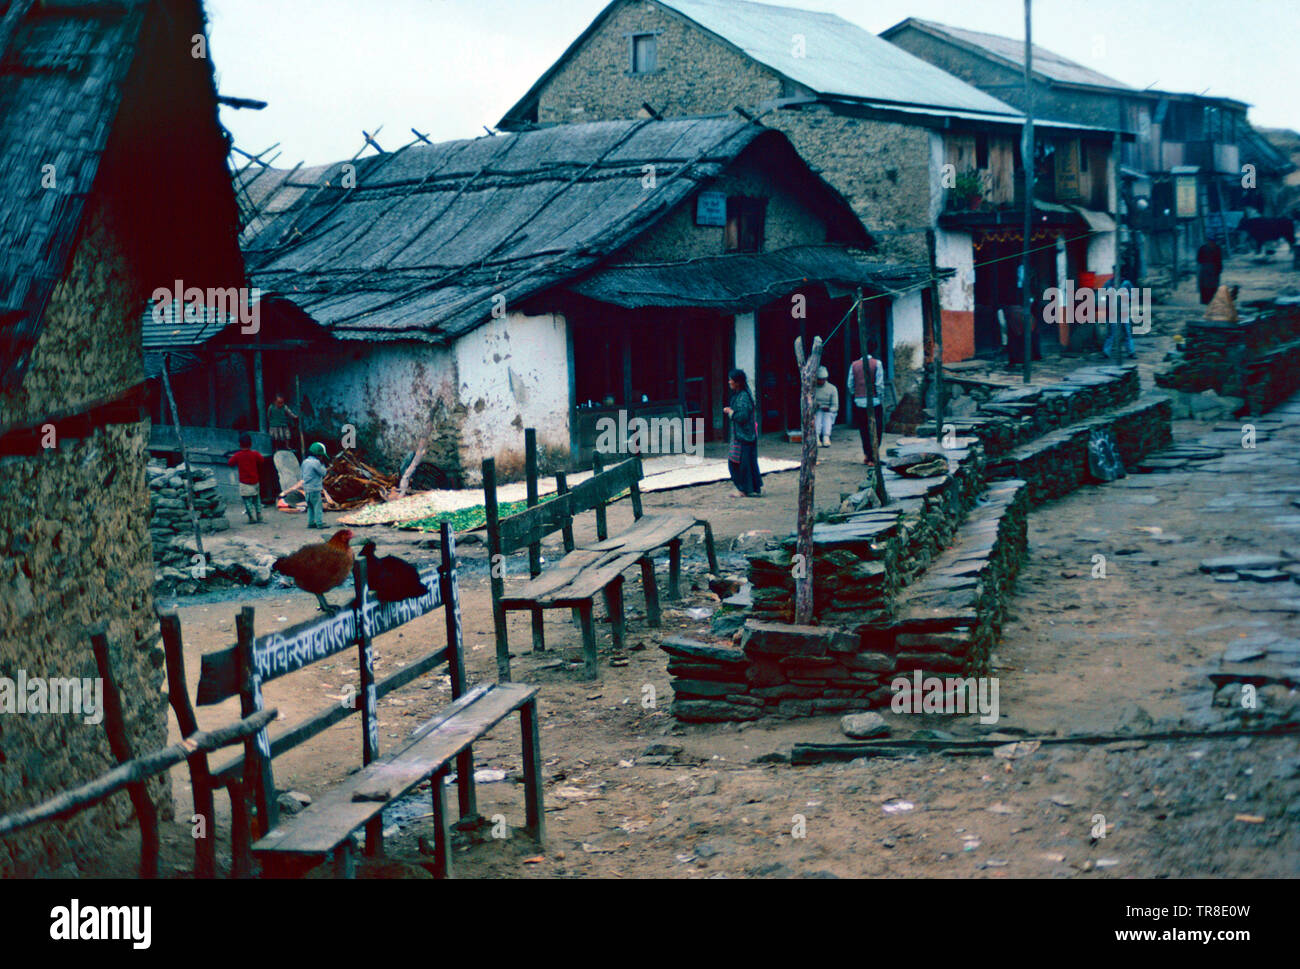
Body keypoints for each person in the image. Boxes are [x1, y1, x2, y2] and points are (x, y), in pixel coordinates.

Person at [723, 368, 761, 497]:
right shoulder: (740, 395)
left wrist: (730, 412)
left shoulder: (743, 397)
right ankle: (745, 489)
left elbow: (743, 416)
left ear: (737, 382)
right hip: (741, 435)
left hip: (745, 436)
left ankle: (743, 489)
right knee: (742, 464)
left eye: (731, 380)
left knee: (740, 464)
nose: (729, 382)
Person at [850, 344, 885, 465]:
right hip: (874, 401)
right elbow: (879, 384)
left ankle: (867, 455)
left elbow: (850, 384)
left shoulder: (854, 365)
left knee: (863, 429)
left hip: (859, 402)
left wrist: (856, 394)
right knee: (876, 429)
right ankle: (872, 456)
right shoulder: (877, 364)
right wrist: (880, 398)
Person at [227, 433, 264, 524]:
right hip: (255, 481)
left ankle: (251, 517)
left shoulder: (238, 455)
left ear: (239, 445)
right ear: (251, 444)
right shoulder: (254, 454)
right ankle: (259, 515)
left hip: (244, 482)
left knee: (247, 501)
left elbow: (230, 463)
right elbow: (262, 460)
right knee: (257, 499)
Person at [1102, 267, 1137, 359]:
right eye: (1114, 272)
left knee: (1127, 332)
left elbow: (1134, 296)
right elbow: (1102, 296)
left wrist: (1126, 297)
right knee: (1111, 333)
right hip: (1112, 311)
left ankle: (1131, 352)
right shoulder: (1109, 284)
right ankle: (1106, 352)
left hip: (1124, 311)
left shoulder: (1126, 284)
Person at [299, 442, 328, 529]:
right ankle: (319, 523)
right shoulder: (316, 462)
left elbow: (302, 475)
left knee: (310, 507)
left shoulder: (305, 462)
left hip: (307, 489)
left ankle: (311, 522)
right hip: (315, 489)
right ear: (319, 455)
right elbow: (323, 473)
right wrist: (322, 465)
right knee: (317, 506)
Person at [813, 365, 839, 447]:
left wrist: (829, 409)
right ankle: (816, 436)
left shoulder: (832, 388)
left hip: (828, 411)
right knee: (818, 415)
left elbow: (835, 406)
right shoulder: (812, 388)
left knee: (826, 416)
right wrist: (815, 406)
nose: (821, 381)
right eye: (819, 379)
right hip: (815, 411)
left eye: (823, 379)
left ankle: (826, 436)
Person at [1196, 240, 1223, 305]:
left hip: (1205, 268)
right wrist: (1219, 268)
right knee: (1211, 285)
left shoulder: (1203, 247)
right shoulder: (1216, 248)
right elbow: (1219, 259)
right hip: (1213, 268)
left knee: (1205, 285)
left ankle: (1205, 300)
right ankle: (1211, 300)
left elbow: (1198, 259)